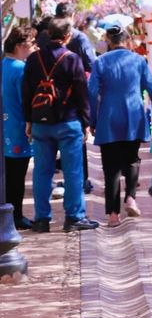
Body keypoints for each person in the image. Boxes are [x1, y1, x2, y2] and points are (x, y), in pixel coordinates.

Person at [22, 17, 98, 232]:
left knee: (41, 172)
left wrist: (28, 119)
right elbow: (82, 93)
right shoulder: (72, 59)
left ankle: (41, 218)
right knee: (73, 171)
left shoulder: (34, 59)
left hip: (40, 123)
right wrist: (86, 121)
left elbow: (26, 91)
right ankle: (73, 217)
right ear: (67, 36)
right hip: (68, 121)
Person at [88, 23, 152, 227]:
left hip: (109, 116)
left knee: (110, 167)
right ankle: (130, 197)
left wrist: (93, 120)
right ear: (127, 40)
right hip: (133, 115)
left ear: (109, 42)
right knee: (131, 159)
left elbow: (92, 93)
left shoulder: (100, 62)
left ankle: (112, 214)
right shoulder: (139, 60)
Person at [56, 2, 96, 193]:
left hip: (50, 99)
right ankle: (82, 180)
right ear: (72, 17)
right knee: (78, 141)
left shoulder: (46, 38)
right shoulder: (79, 38)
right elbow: (91, 64)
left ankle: (64, 180)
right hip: (74, 97)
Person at [2, 26, 35, 229]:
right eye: (32, 44)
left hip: (5, 129)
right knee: (17, 176)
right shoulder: (21, 69)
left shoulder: (3, 65)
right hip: (18, 128)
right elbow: (27, 101)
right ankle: (16, 216)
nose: (34, 48)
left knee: (8, 176)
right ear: (20, 46)